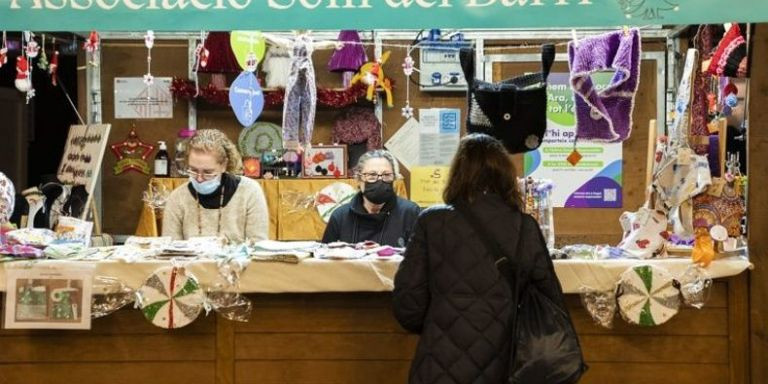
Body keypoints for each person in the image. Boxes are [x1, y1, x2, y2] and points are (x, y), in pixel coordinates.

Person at [392, 134, 568, 383]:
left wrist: (440, 328)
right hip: (506, 363)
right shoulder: (524, 226)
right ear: (506, 175)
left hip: (438, 365)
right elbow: (550, 299)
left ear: (457, 174)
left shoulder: (432, 221)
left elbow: (408, 304)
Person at [163, 129, 268, 242]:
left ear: (224, 165)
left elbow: (258, 247)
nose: (199, 178)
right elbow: (170, 249)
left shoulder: (249, 192)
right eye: (193, 170)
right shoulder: (177, 198)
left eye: (208, 172)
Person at [322, 150, 420, 247]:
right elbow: (323, 259)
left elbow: (421, 258)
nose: (380, 180)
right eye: (372, 175)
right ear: (359, 179)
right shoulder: (340, 217)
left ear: (394, 179)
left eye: (386, 175)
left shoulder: (410, 213)